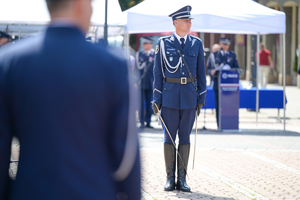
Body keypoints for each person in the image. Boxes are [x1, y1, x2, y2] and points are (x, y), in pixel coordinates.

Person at [0, 0, 141, 199]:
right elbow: (126, 156)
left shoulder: (8, 62)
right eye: (91, 4)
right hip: (94, 192)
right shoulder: (113, 65)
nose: (91, 11)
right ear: (80, 4)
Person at [152, 5, 207, 192]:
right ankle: (170, 178)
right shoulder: (163, 43)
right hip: (169, 97)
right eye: (186, 20)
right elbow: (157, 73)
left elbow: (201, 73)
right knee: (169, 138)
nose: (189, 23)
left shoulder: (196, 44)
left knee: (185, 137)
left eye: (190, 20)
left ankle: (182, 179)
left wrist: (201, 98)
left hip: (190, 97)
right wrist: (156, 98)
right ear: (175, 23)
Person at [207, 37, 239, 128]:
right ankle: (219, 124)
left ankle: (230, 123)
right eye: (224, 44)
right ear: (221, 44)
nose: (226, 47)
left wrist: (231, 70)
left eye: (227, 45)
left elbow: (237, 68)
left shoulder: (232, 55)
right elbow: (208, 69)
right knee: (218, 105)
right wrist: (211, 72)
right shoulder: (214, 55)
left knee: (230, 104)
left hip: (230, 84)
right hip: (218, 83)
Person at [136, 37, 155, 129]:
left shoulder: (154, 55)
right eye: (143, 43)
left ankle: (148, 121)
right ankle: (141, 122)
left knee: (150, 103)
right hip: (141, 83)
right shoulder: (138, 55)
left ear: (150, 44)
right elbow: (135, 70)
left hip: (151, 84)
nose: (144, 45)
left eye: (146, 43)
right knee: (141, 103)